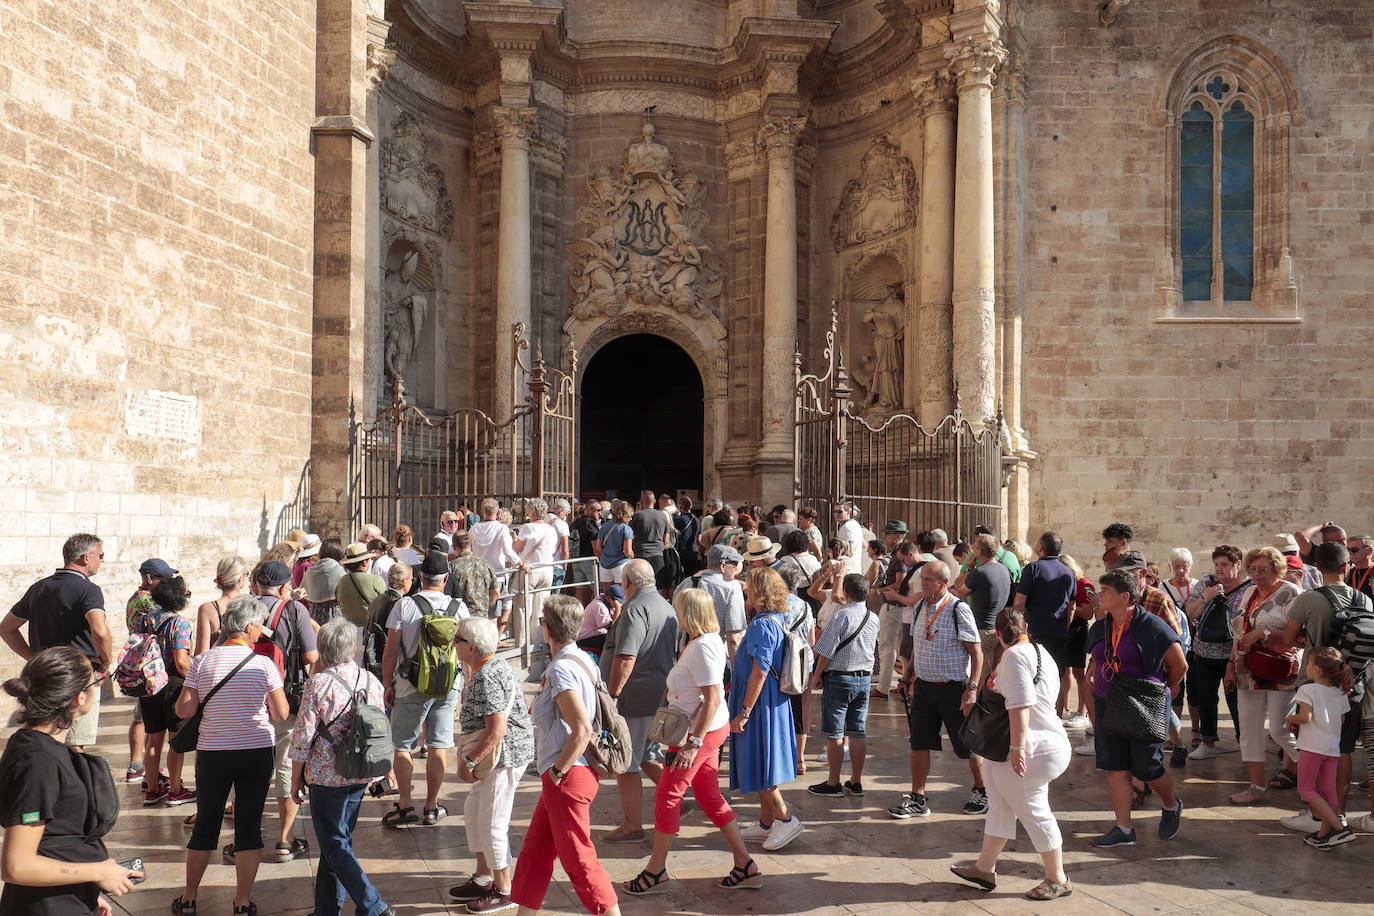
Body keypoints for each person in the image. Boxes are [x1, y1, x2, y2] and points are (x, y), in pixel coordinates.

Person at [622, 588, 757, 894]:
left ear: (689, 613)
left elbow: (713, 697)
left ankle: (656, 870)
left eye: (678, 608)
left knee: (667, 797)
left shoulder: (703, 646)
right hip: (702, 732)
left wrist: (694, 742)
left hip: (698, 735)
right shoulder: (700, 642)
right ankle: (745, 863)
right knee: (708, 797)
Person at [0, 647, 142, 915]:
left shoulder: (42, 748)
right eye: (96, 681)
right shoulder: (37, 762)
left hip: (65, 899)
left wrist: (85, 890)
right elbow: (16, 865)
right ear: (79, 698)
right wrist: (98, 871)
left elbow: (56, 837)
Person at [173, 597, 291, 915]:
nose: (260, 634)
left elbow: (184, 709)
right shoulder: (264, 664)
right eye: (258, 628)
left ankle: (188, 897)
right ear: (248, 627)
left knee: (206, 826)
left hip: (214, 753)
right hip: (255, 751)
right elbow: (281, 713)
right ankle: (241, 901)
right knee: (248, 827)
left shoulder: (202, 662)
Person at [509, 595, 623, 916]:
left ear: (548, 629)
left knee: (579, 861)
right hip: (567, 774)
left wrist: (557, 772)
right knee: (536, 852)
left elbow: (582, 728)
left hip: (568, 776)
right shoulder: (583, 659)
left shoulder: (561, 670)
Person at [949, 608, 1073, 901]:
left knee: (1033, 810)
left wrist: (1018, 749)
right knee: (999, 804)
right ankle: (984, 868)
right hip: (1027, 745)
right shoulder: (1038, 651)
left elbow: (1020, 704)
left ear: (998, 632)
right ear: (1025, 627)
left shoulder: (1015, 656)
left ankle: (1058, 878)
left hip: (1031, 747)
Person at [287, 619, 394, 916]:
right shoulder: (371, 680)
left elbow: (303, 736)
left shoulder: (318, 684)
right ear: (352, 648)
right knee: (337, 843)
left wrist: (295, 779)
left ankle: (373, 905)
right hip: (361, 770)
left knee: (334, 844)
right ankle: (326, 910)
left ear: (323, 650)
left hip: (326, 775)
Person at [1275, 541, 1374, 833]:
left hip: (1314, 683)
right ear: (1346, 566)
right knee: (1341, 750)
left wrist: (1308, 638)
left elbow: (1288, 638)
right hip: (1352, 684)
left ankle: (1315, 814)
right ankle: (1337, 811)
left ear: (1317, 568)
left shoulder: (1309, 599)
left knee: (1312, 749)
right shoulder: (1364, 600)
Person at [1086, 570, 1187, 848]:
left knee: (1147, 765)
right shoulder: (1103, 624)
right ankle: (1123, 828)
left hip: (1144, 702)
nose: (1099, 594)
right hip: (1109, 701)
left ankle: (1170, 805)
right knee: (1115, 765)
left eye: (1104, 590)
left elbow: (1179, 665)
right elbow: (1095, 659)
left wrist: (1168, 689)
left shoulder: (1151, 625)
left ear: (1125, 596)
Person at [449, 616, 534, 913]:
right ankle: (484, 877)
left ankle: (504, 889)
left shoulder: (487, 675)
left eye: (457, 640)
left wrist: (470, 761)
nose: (454, 644)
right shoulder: (488, 667)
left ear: (471, 647)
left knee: (492, 822)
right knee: (474, 813)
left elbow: (498, 729)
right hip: (496, 755)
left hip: (503, 756)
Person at [889, 561, 986, 819]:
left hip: (954, 689)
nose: (923, 584)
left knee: (967, 745)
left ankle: (982, 790)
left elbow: (976, 653)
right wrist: (906, 677)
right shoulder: (920, 606)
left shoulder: (958, 610)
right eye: (922, 579)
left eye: (929, 580)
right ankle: (918, 797)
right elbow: (918, 649)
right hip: (924, 689)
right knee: (919, 743)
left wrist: (973, 688)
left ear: (944, 583)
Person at [0, 534, 112, 751]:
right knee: (74, 745)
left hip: (44, 675)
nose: (102, 560)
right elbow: (100, 631)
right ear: (85, 558)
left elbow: (6, 628)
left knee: (46, 736)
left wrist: (35, 658)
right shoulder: (89, 590)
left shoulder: (39, 588)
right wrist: (106, 661)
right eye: (100, 555)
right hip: (77, 676)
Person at [380, 552, 467, 827]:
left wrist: (386, 684)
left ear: (419, 577)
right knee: (440, 744)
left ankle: (405, 805)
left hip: (410, 684)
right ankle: (432, 806)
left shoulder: (405, 606)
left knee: (402, 744)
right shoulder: (459, 608)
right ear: (446, 578)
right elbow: (466, 650)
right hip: (447, 685)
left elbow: (391, 649)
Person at [600, 559, 680, 843]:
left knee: (626, 763)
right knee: (648, 756)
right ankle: (679, 801)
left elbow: (625, 658)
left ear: (627, 582)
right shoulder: (665, 605)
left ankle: (632, 826)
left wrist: (612, 696)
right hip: (659, 694)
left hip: (635, 697)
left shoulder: (634, 609)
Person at [251, 561, 321, 864]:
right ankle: (284, 839)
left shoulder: (242, 608)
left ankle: (248, 836)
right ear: (283, 587)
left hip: (246, 697)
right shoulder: (294, 610)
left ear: (256, 586)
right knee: (283, 765)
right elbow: (311, 655)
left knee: (249, 768)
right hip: (284, 698)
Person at [728, 567, 802, 850]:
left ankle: (784, 818)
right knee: (761, 761)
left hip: (760, 704)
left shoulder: (761, 624)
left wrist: (745, 711)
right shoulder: (773, 619)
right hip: (767, 701)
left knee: (763, 762)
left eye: (749, 586)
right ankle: (766, 821)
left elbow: (760, 671)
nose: (745, 589)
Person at [1226, 547, 1302, 804]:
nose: (1256, 574)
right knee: (1249, 730)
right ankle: (1256, 786)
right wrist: (1230, 665)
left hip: (1280, 671)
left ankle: (1319, 769)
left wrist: (1263, 635)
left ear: (1277, 569)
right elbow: (1239, 632)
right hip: (1248, 670)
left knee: (1281, 729)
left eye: (1262, 569)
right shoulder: (1249, 592)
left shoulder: (1291, 593)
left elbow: (1301, 637)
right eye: (1253, 569)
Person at [807, 573, 879, 798]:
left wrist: (817, 675)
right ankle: (856, 781)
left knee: (835, 733)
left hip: (839, 678)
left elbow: (826, 651)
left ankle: (833, 782)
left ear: (845, 592)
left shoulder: (841, 616)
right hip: (863, 679)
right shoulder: (873, 617)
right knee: (857, 731)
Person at [134, 577, 197, 808]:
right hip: (172, 684)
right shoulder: (179, 623)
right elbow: (181, 661)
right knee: (175, 740)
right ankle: (176, 790)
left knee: (153, 738)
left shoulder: (143, 621)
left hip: (148, 683)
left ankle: (152, 790)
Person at [1285, 647, 1356, 849]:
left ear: (1316, 669)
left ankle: (1339, 828)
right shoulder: (1340, 694)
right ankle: (1323, 836)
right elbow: (1341, 720)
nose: (1305, 667)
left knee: (1306, 789)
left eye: (1307, 664)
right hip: (1332, 749)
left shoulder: (1307, 690)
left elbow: (1305, 717)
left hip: (1312, 747)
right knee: (1329, 793)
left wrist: (1290, 718)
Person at [1182, 545, 1248, 759]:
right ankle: (1208, 743)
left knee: (1237, 701)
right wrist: (1206, 597)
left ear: (1238, 565)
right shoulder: (1206, 583)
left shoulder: (1248, 587)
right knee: (1206, 699)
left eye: (1225, 565)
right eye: (1217, 564)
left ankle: (1245, 743)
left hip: (1233, 655)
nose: (1219, 569)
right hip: (1204, 652)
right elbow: (1189, 613)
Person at [1012, 532, 1077, 695]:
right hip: (1059, 632)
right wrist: (1066, 626)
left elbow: (1019, 603)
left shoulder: (1032, 568)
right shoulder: (1068, 572)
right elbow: (1072, 606)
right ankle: (1056, 716)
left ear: (1040, 547)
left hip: (1035, 631)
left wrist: (1021, 629)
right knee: (1056, 676)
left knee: (1034, 677)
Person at [952, 534, 1012, 689]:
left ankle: (976, 709)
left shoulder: (979, 573)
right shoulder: (1004, 570)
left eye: (974, 546)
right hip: (998, 629)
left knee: (980, 675)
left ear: (979, 551)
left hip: (982, 629)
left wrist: (968, 569)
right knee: (994, 675)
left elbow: (959, 590)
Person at [675, 544, 746, 658]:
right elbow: (733, 638)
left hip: (686, 654)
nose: (737, 568)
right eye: (735, 564)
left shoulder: (686, 582)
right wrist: (738, 673)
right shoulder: (731, 589)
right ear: (723, 566)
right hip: (715, 656)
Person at [512, 498, 559, 648]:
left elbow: (516, 549)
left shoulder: (528, 527)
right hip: (547, 570)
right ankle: (538, 644)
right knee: (540, 609)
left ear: (531, 512)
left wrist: (513, 539)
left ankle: (522, 645)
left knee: (523, 609)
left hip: (530, 571)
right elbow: (554, 549)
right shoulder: (551, 529)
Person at [196, 554, 248, 655]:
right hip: (245, 667)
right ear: (240, 579)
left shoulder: (207, 609)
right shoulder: (249, 606)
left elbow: (201, 653)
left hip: (216, 667)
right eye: (246, 574)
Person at [445, 531, 501, 620]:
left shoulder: (451, 566)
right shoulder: (486, 564)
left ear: (454, 546)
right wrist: (483, 605)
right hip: (481, 618)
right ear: (472, 544)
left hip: (461, 618)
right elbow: (496, 593)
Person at [335, 542, 385, 628]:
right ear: (364, 562)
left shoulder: (341, 581)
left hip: (348, 629)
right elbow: (386, 603)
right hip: (370, 629)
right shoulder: (375, 580)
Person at [630, 489, 671, 587]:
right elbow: (666, 539)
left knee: (641, 585)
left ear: (641, 502)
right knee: (658, 586)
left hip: (641, 554)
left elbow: (630, 537)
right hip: (658, 555)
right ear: (655, 501)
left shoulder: (636, 516)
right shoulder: (663, 516)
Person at [304, 539, 347, 627]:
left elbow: (304, 592)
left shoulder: (311, 569)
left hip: (315, 613)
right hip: (335, 612)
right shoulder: (338, 569)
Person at [576, 583, 622, 658]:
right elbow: (611, 627)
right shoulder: (598, 605)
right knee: (613, 640)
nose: (619, 604)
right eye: (618, 602)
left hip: (596, 636)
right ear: (608, 599)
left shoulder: (608, 602)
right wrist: (618, 608)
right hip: (585, 640)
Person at [596, 500, 636, 585]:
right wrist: (634, 556)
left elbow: (598, 547)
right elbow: (627, 552)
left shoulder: (605, 526)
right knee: (621, 594)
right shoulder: (626, 529)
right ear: (626, 515)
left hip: (605, 564)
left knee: (607, 594)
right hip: (620, 564)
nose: (631, 519)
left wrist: (604, 557)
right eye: (630, 516)